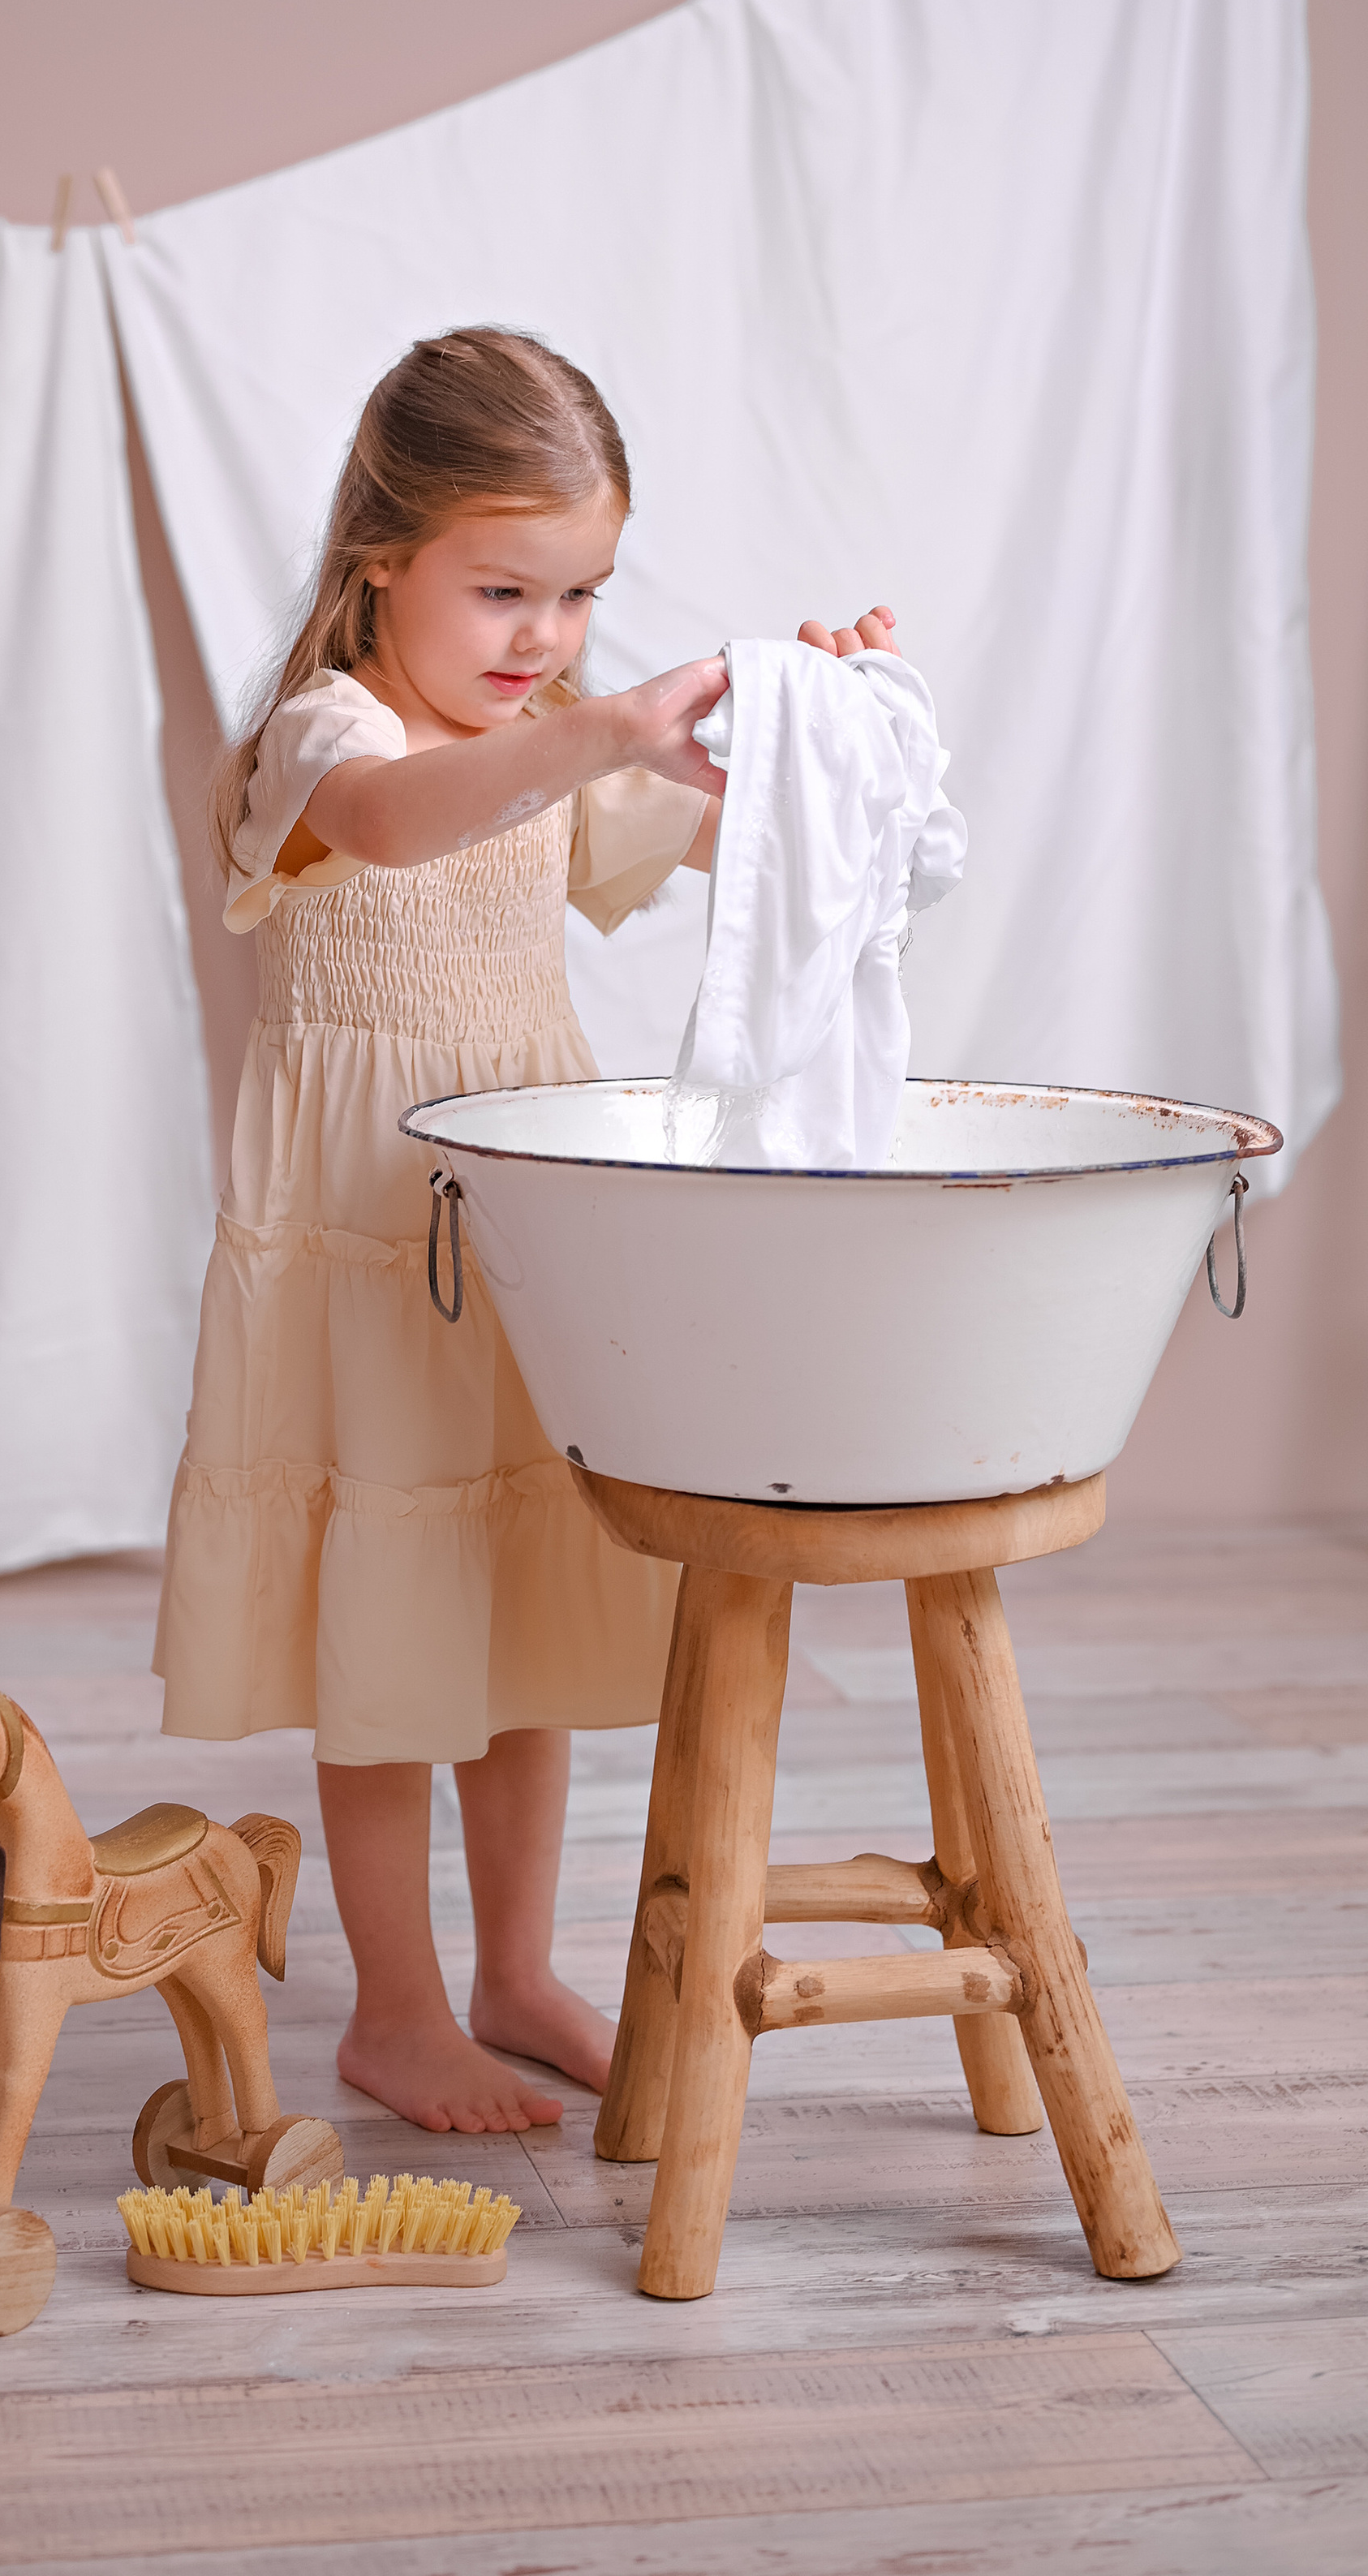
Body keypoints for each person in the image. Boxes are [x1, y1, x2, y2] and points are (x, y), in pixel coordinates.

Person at [156, 325, 897, 2134]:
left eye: (578, 598)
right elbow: (399, 823)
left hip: (518, 1231)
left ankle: (511, 1970)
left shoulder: (538, 739)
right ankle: (394, 2010)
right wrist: (590, 734)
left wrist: (816, 720)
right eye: (502, 591)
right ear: (378, 562)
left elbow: (734, 837)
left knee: (507, 1602)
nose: (543, 639)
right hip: (364, 1245)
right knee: (388, 1623)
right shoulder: (334, 743)